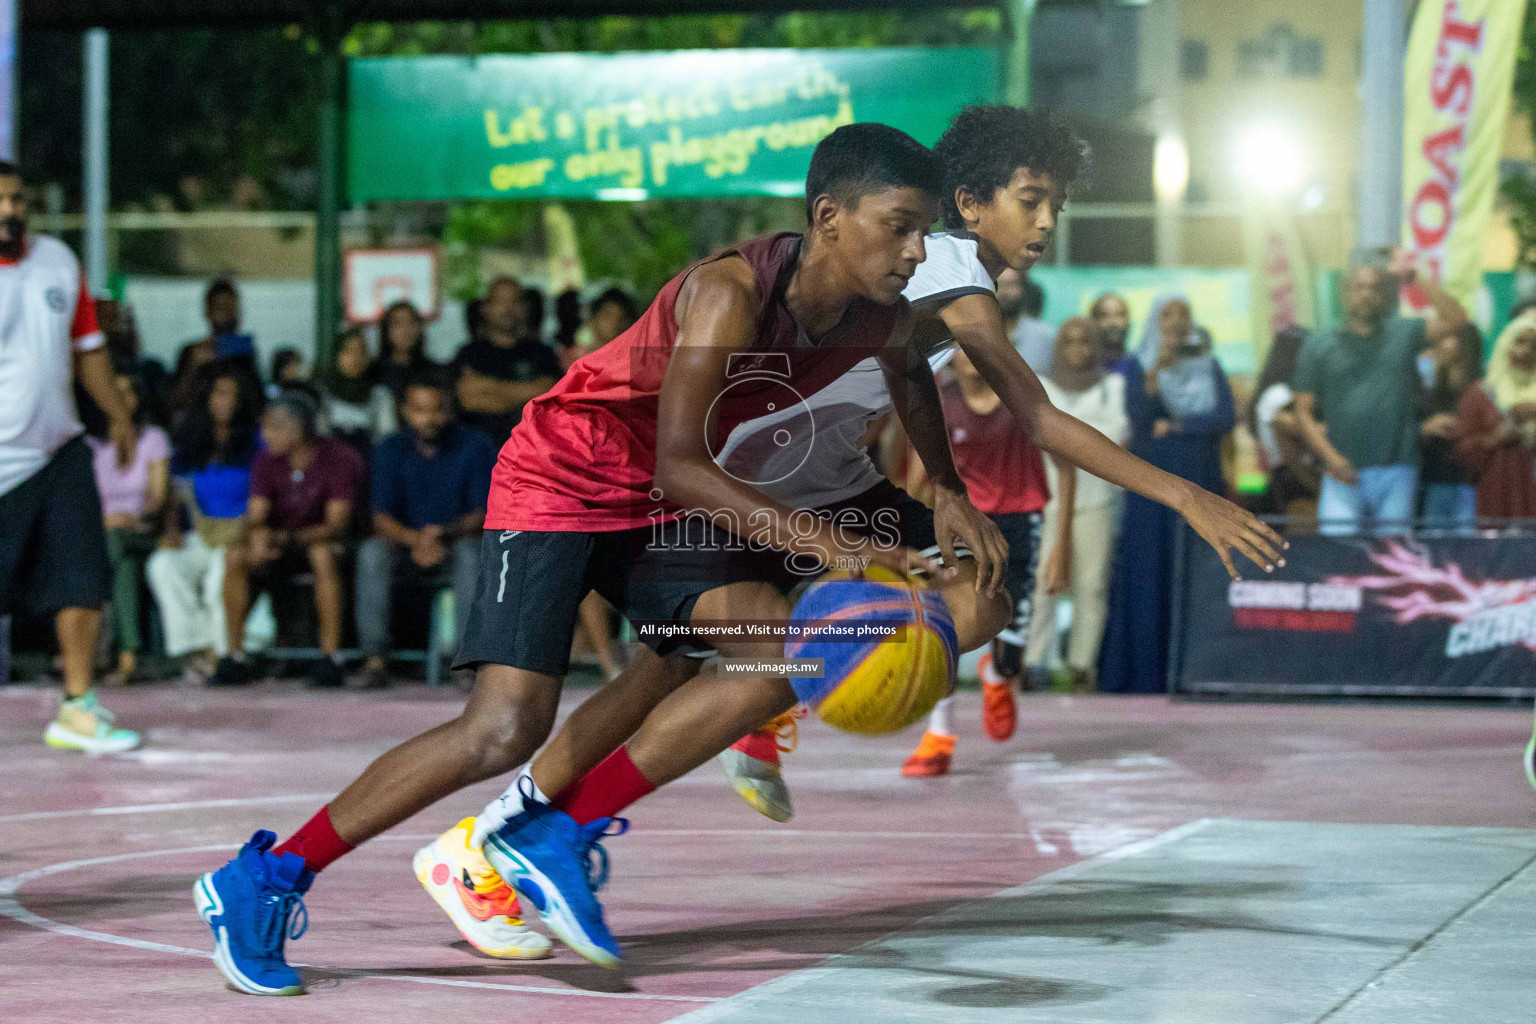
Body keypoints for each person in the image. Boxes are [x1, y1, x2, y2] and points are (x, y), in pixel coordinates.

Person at [195, 119, 1282, 993]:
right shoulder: (731, 289)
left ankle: (547, 831)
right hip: (570, 479)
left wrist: (942, 485)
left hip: (702, 498)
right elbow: (676, 463)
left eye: (919, 237)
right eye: (900, 230)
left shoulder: (886, 303)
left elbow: (908, 373)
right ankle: (268, 876)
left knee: (774, 653)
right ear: (832, 217)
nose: (914, 254)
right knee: (503, 722)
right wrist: (839, 542)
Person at [0, 161, 140, 753]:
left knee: (82, 575)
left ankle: (77, 707)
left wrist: (119, 413)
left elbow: (88, 349)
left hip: (58, 451)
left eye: (17, 198)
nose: (10, 210)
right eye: (0, 200)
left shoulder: (58, 259)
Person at [900, 345, 1074, 777]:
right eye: (958, 348)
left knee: (1013, 649)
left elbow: (1066, 465)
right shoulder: (939, 399)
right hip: (966, 522)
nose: (970, 357)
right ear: (949, 357)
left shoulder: (1021, 397)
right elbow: (920, 475)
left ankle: (998, 674)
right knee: (950, 628)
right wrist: (909, 536)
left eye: (976, 347)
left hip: (1021, 521)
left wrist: (1062, 544)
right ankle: (938, 738)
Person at [1098, 294, 1236, 694]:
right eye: (1167, 315)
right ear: (1155, 322)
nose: (1175, 322)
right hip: (1153, 491)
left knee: (1196, 573)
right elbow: (1140, 418)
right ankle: (1146, 674)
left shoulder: (1208, 366)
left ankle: (1197, 674)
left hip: (1200, 480)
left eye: (1183, 315)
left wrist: (1177, 426)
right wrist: (1159, 367)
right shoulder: (1139, 365)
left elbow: (1224, 417)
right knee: (1149, 572)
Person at [1292, 249, 1469, 535]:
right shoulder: (1318, 344)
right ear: (1345, 294)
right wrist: (1332, 459)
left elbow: (1457, 319)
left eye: (1374, 288)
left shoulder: (1404, 333)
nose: (1366, 294)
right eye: (1358, 287)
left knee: (1392, 561)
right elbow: (1302, 412)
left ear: (1385, 295)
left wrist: (1415, 278)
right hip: (1342, 471)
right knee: (1338, 560)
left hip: (1398, 466)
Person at [212, 392, 362, 690]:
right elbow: (256, 514)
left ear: (296, 430)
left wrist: (286, 537)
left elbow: (336, 524)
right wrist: (257, 536)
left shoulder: (339, 457)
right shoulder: (266, 460)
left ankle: (330, 656)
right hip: (282, 544)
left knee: (322, 554)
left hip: (326, 542)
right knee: (235, 556)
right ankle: (235, 655)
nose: (265, 434)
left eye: (273, 427)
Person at [355, 371, 495, 689]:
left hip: (457, 541)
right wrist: (417, 539)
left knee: (473, 556)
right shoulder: (390, 448)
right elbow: (381, 517)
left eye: (438, 409)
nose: (429, 418)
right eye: (420, 409)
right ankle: (374, 659)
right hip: (404, 545)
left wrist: (441, 534)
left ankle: (465, 663)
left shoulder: (474, 446)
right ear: (404, 411)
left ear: (450, 409)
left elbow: (483, 512)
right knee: (371, 553)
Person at [1024, 316, 1129, 691]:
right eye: (1069, 341)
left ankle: (1082, 665)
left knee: (1092, 585)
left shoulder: (1111, 385)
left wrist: (1064, 433)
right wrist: (1086, 433)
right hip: (1047, 495)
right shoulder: (1041, 384)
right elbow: (1036, 434)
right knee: (1042, 583)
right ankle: (1034, 662)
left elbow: (1117, 434)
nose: (1077, 349)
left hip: (1097, 498)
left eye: (1085, 342)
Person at [148, 364, 261, 684]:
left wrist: (248, 532)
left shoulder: (256, 443)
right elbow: (175, 494)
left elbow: (265, 495)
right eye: (219, 394)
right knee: (163, 565)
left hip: (240, 535)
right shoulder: (190, 441)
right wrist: (170, 530)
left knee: (218, 579)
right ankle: (199, 649)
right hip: (201, 533)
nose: (224, 402)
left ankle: (222, 656)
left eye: (232, 396)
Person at [86, 371, 170, 686]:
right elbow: (82, 501)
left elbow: (157, 500)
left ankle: (101, 651)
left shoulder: (154, 439)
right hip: (103, 533)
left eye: (128, 392)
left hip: (142, 530)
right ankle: (127, 652)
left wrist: (130, 517)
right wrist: (107, 521)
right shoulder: (92, 444)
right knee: (121, 559)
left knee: (118, 546)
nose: (121, 399)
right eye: (113, 391)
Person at [452, 277, 562, 443]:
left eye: (514, 301)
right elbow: (467, 399)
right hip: (482, 451)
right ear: (485, 308)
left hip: (531, 449)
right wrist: (527, 395)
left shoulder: (542, 353)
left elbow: (549, 397)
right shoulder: (468, 354)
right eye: (500, 302)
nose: (507, 309)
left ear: (525, 308)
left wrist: (485, 386)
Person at [1455, 311, 1536, 518]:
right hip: (1498, 501)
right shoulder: (1481, 395)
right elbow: (1462, 454)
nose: (1526, 352)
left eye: (1534, 346)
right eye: (1520, 342)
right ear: (1505, 345)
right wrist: (1496, 438)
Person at [1249, 325, 1320, 516]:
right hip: (1292, 476)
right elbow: (1299, 429)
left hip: (1291, 473)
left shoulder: (1277, 391)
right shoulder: (1278, 394)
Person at [1418, 321, 1482, 528]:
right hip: (1435, 480)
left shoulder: (1483, 389)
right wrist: (1425, 428)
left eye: (1448, 338)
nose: (1440, 345)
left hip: (1472, 483)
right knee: (1437, 551)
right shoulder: (1429, 390)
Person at [169, 279, 256, 417]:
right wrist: (194, 366)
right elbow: (173, 403)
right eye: (220, 308)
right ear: (208, 311)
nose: (226, 315)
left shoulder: (245, 352)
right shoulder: (191, 351)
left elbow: (255, 401)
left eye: (231, 309)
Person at [319, 326, 396, 458]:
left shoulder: (380, 395)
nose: (355, 357)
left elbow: (387, 437)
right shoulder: (323, 394)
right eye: (348, 351)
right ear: (336, 355)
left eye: (361, 351)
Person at [373, 299, 437, 402]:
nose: (406, 329)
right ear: (386, 330)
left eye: (411, 322)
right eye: (398, 323)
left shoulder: (433, 372)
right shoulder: (374, 373)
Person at [1007, 270, 1056, 375]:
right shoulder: (973, 336)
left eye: (1011, 285)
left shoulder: (1045, 336)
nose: (1005, 292)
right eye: (999, 285)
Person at [1089, 290, 1132, 367]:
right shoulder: (1083, 364)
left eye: (1118, 315)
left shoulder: (1133, 365)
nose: (1112, 322)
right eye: (1105, 315)